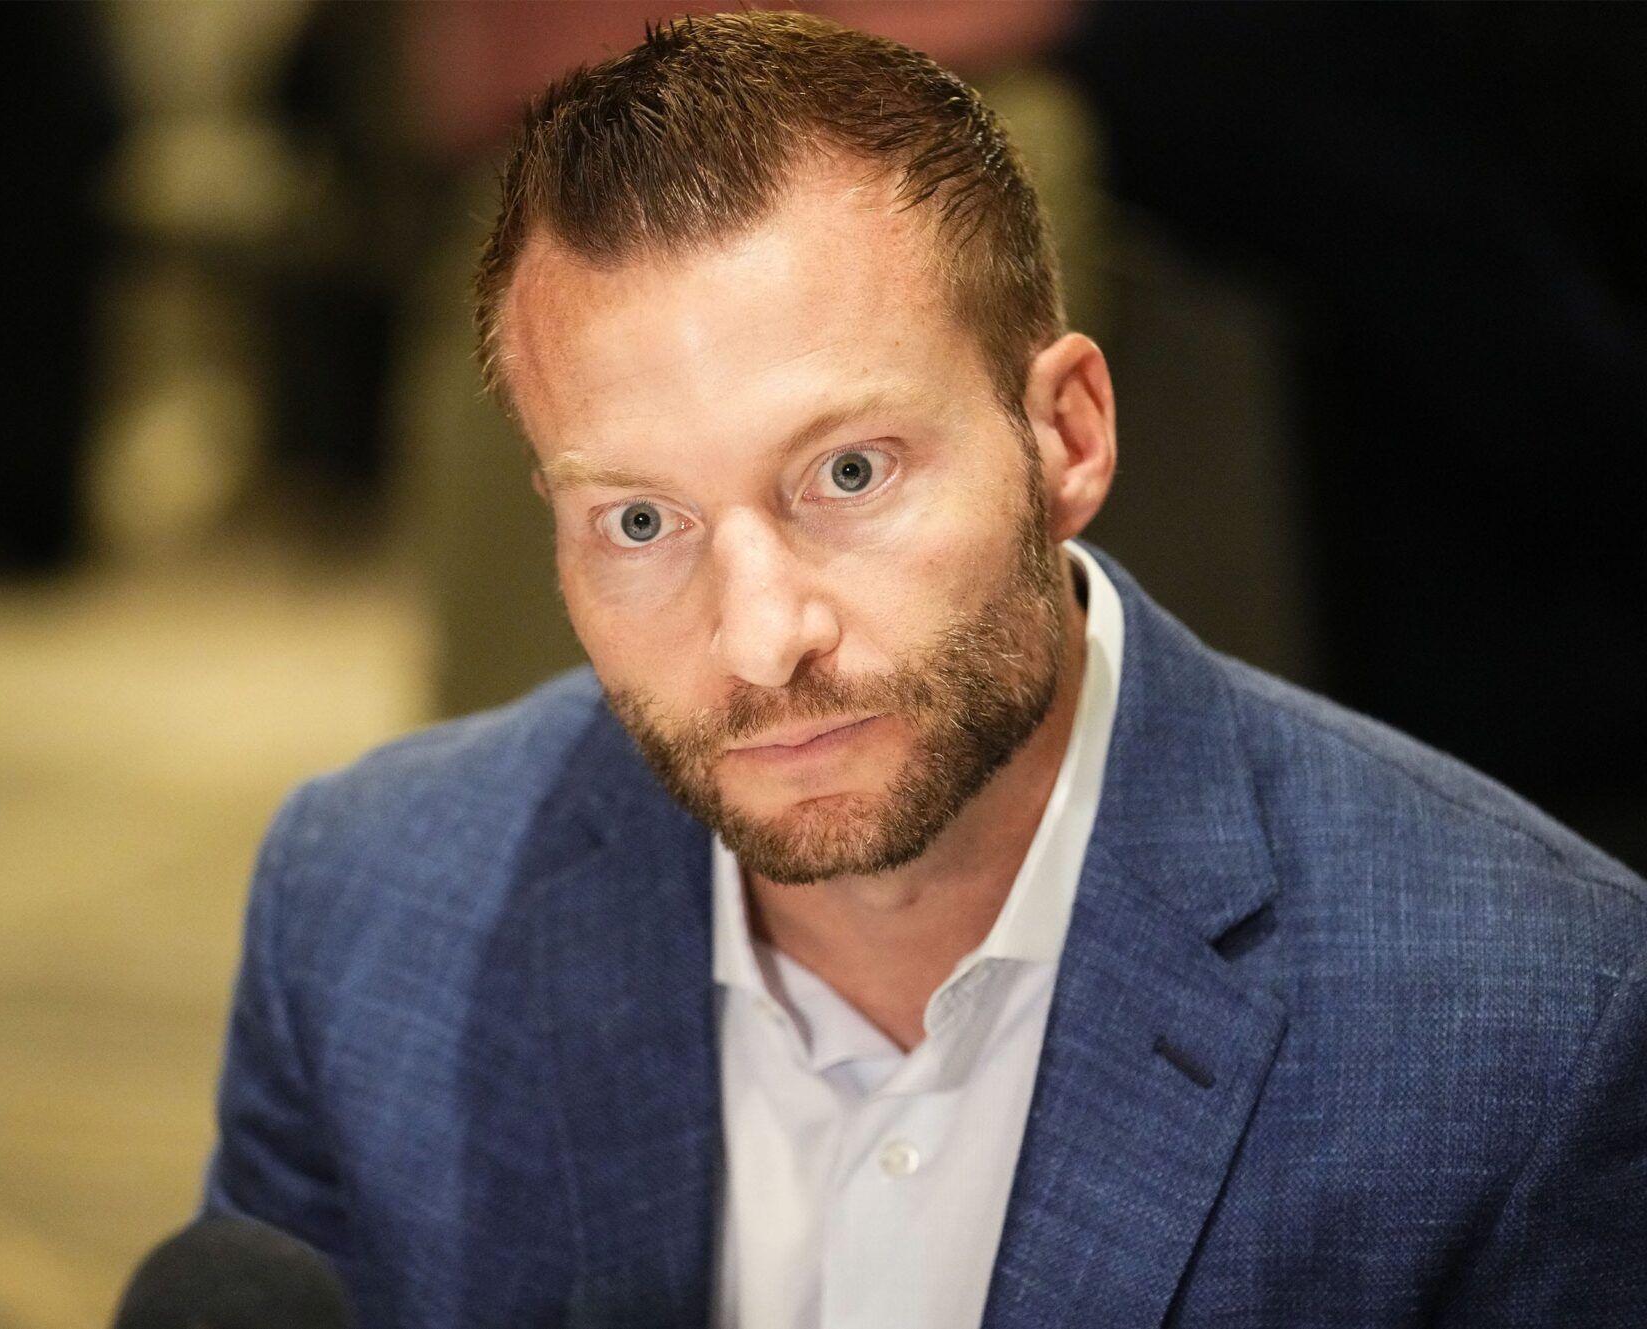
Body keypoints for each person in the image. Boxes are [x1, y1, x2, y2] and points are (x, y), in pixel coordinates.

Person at [202, 13, 1647, 1326]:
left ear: (1067, 435)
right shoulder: (358, 914)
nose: (765, 639)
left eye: (848, 471)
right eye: (640, 520)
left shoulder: (1529, 1025)